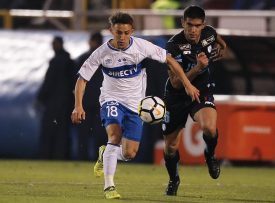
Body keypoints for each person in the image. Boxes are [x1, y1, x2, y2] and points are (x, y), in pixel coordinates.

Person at [71, 12, 200, 200]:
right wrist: (78, 106)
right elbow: (82, 80)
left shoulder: (142, 47)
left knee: (129, 153)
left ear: (132, 31)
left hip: (136, 105)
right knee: (114, 136)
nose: (122, 37)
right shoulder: (101, 53)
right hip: (110, 99)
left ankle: (105, 154)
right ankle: (109, 186)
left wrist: (188, 85)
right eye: (118, 33)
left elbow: (170, 59)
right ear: (111, 31)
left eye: (125, 33)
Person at [161, 5, 227, 196]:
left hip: (202, 91)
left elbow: (219, 41)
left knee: (210, 128)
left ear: (203, 25)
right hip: (176, 96)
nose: (192, 30)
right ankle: (174, 179)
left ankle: (210, 155)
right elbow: (175, 83)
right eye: (189, 25)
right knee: (171, 147)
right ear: (182, 23)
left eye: (197, 26)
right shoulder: (173, 45)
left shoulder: (210, 33)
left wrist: (223, 48)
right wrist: (198, 68)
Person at [36, 36, 75, 160]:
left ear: (58, 44)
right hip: (65, 103)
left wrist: (40, 98)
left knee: (50, 131)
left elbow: (49, 82)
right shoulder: (69, 61)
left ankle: (47, 155)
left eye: (54, 44)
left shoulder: (56, 62)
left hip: (54, 103)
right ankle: (61, 155)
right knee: (62, 132)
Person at [74, 32, 107, 160]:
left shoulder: (83, 58)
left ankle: (82, 158)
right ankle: (100, 159)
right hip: (101, 102)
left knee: (84, 133)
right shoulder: (107, 58)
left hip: (85, 102)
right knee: (101, 134)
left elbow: (76, 81)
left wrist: (77, 103)